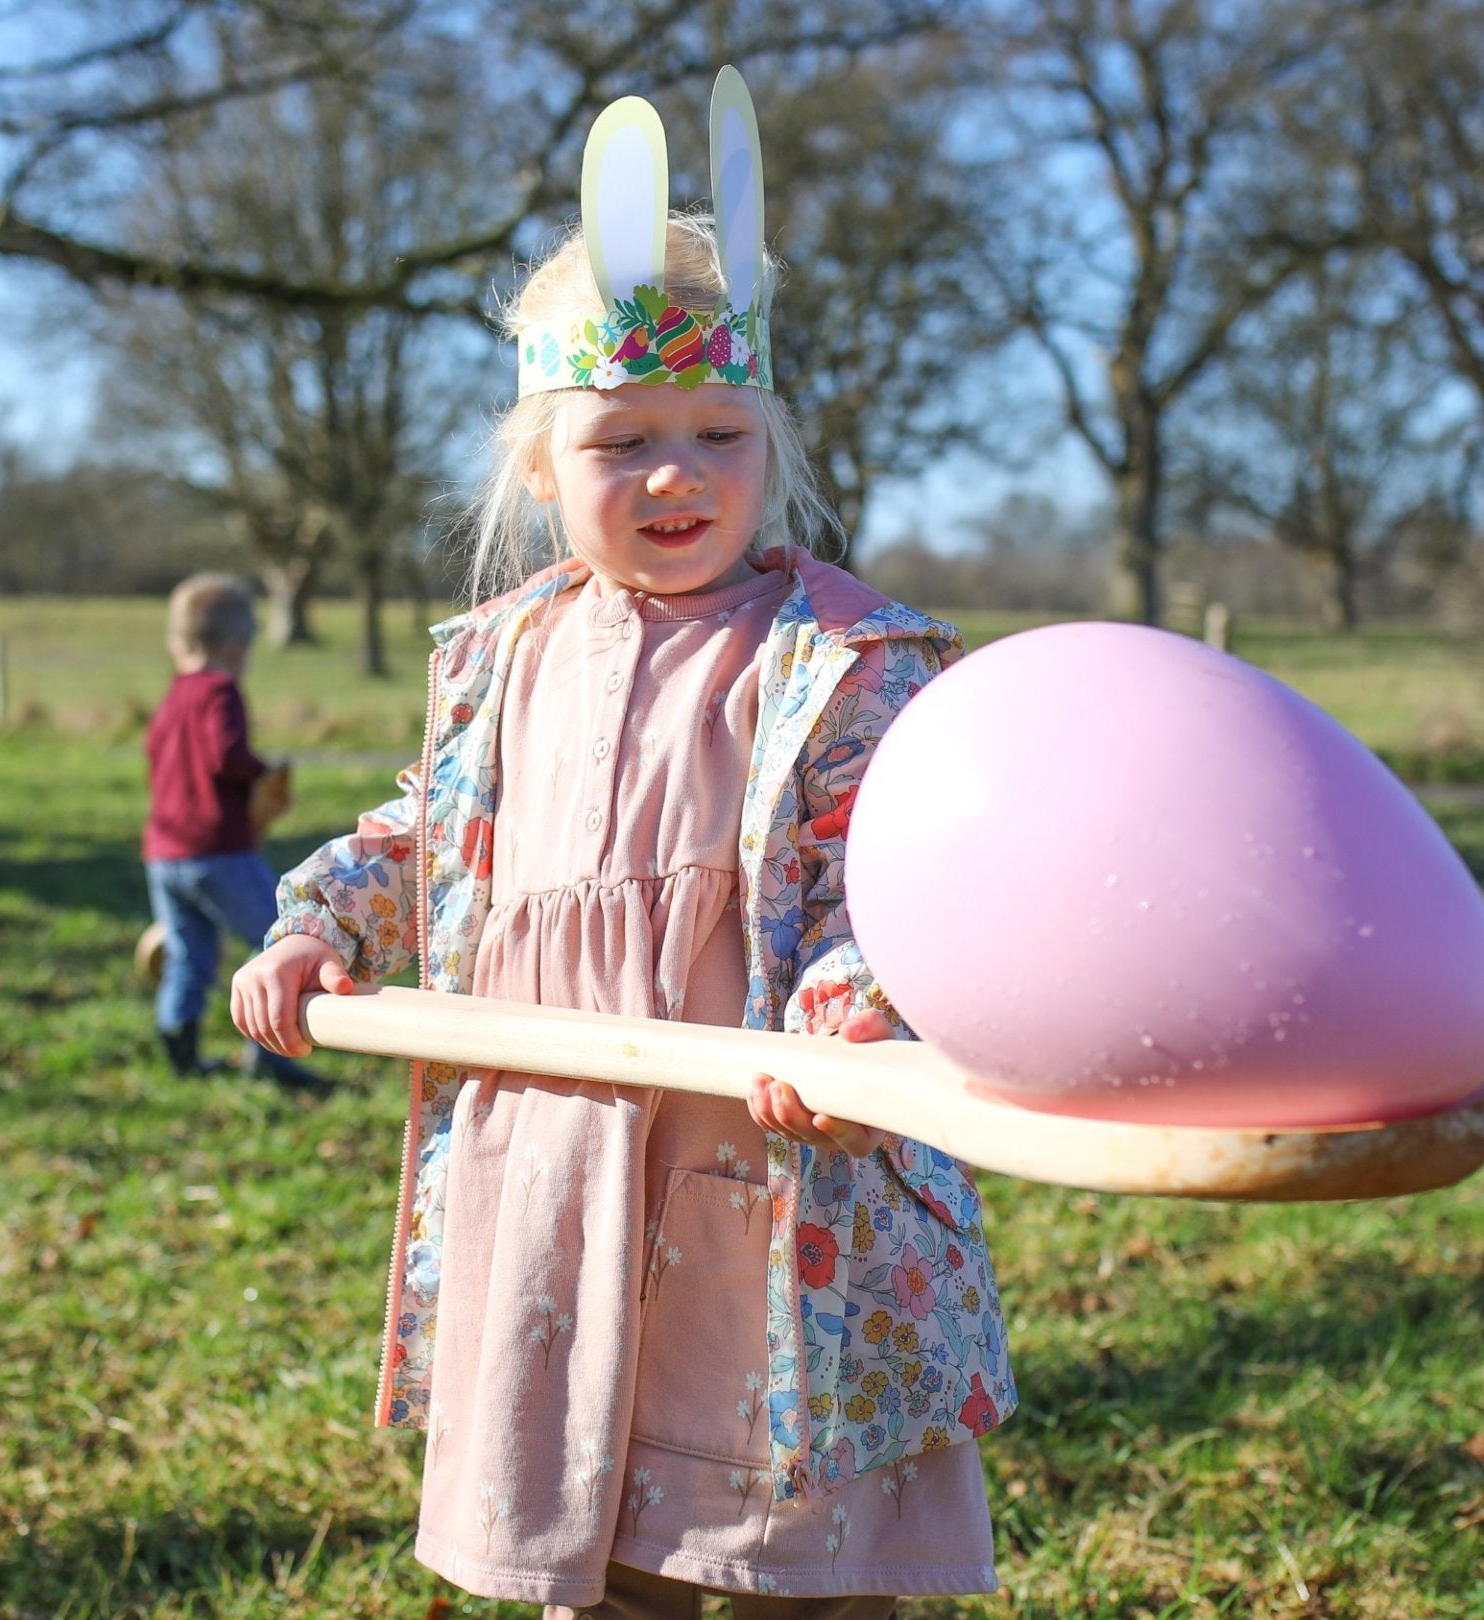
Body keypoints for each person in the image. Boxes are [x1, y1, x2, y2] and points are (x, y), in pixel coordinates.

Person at [231, 74, 1014, 1619]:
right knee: (589, 1512)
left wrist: (860, 1017)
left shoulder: (839, 656)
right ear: (541, 466)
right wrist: (327, 918)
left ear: (771, 439)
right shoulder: (506, 654)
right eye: (624, 439)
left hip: (778, 1148)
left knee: (796, 1531)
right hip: (558, 1142)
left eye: (720, 431)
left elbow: (901, 874)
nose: (678, 473)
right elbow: (428, 827)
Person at [144, 571, 322, 1087]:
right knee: (277, 937)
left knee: (187, 951)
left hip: (165, 852)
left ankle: (181, 1051)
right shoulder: (220, 691)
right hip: (217, 849)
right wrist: (262, 774)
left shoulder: (174, 694)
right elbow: (225, 755)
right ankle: (269, 1058)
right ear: (240, 645)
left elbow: (160, 754)